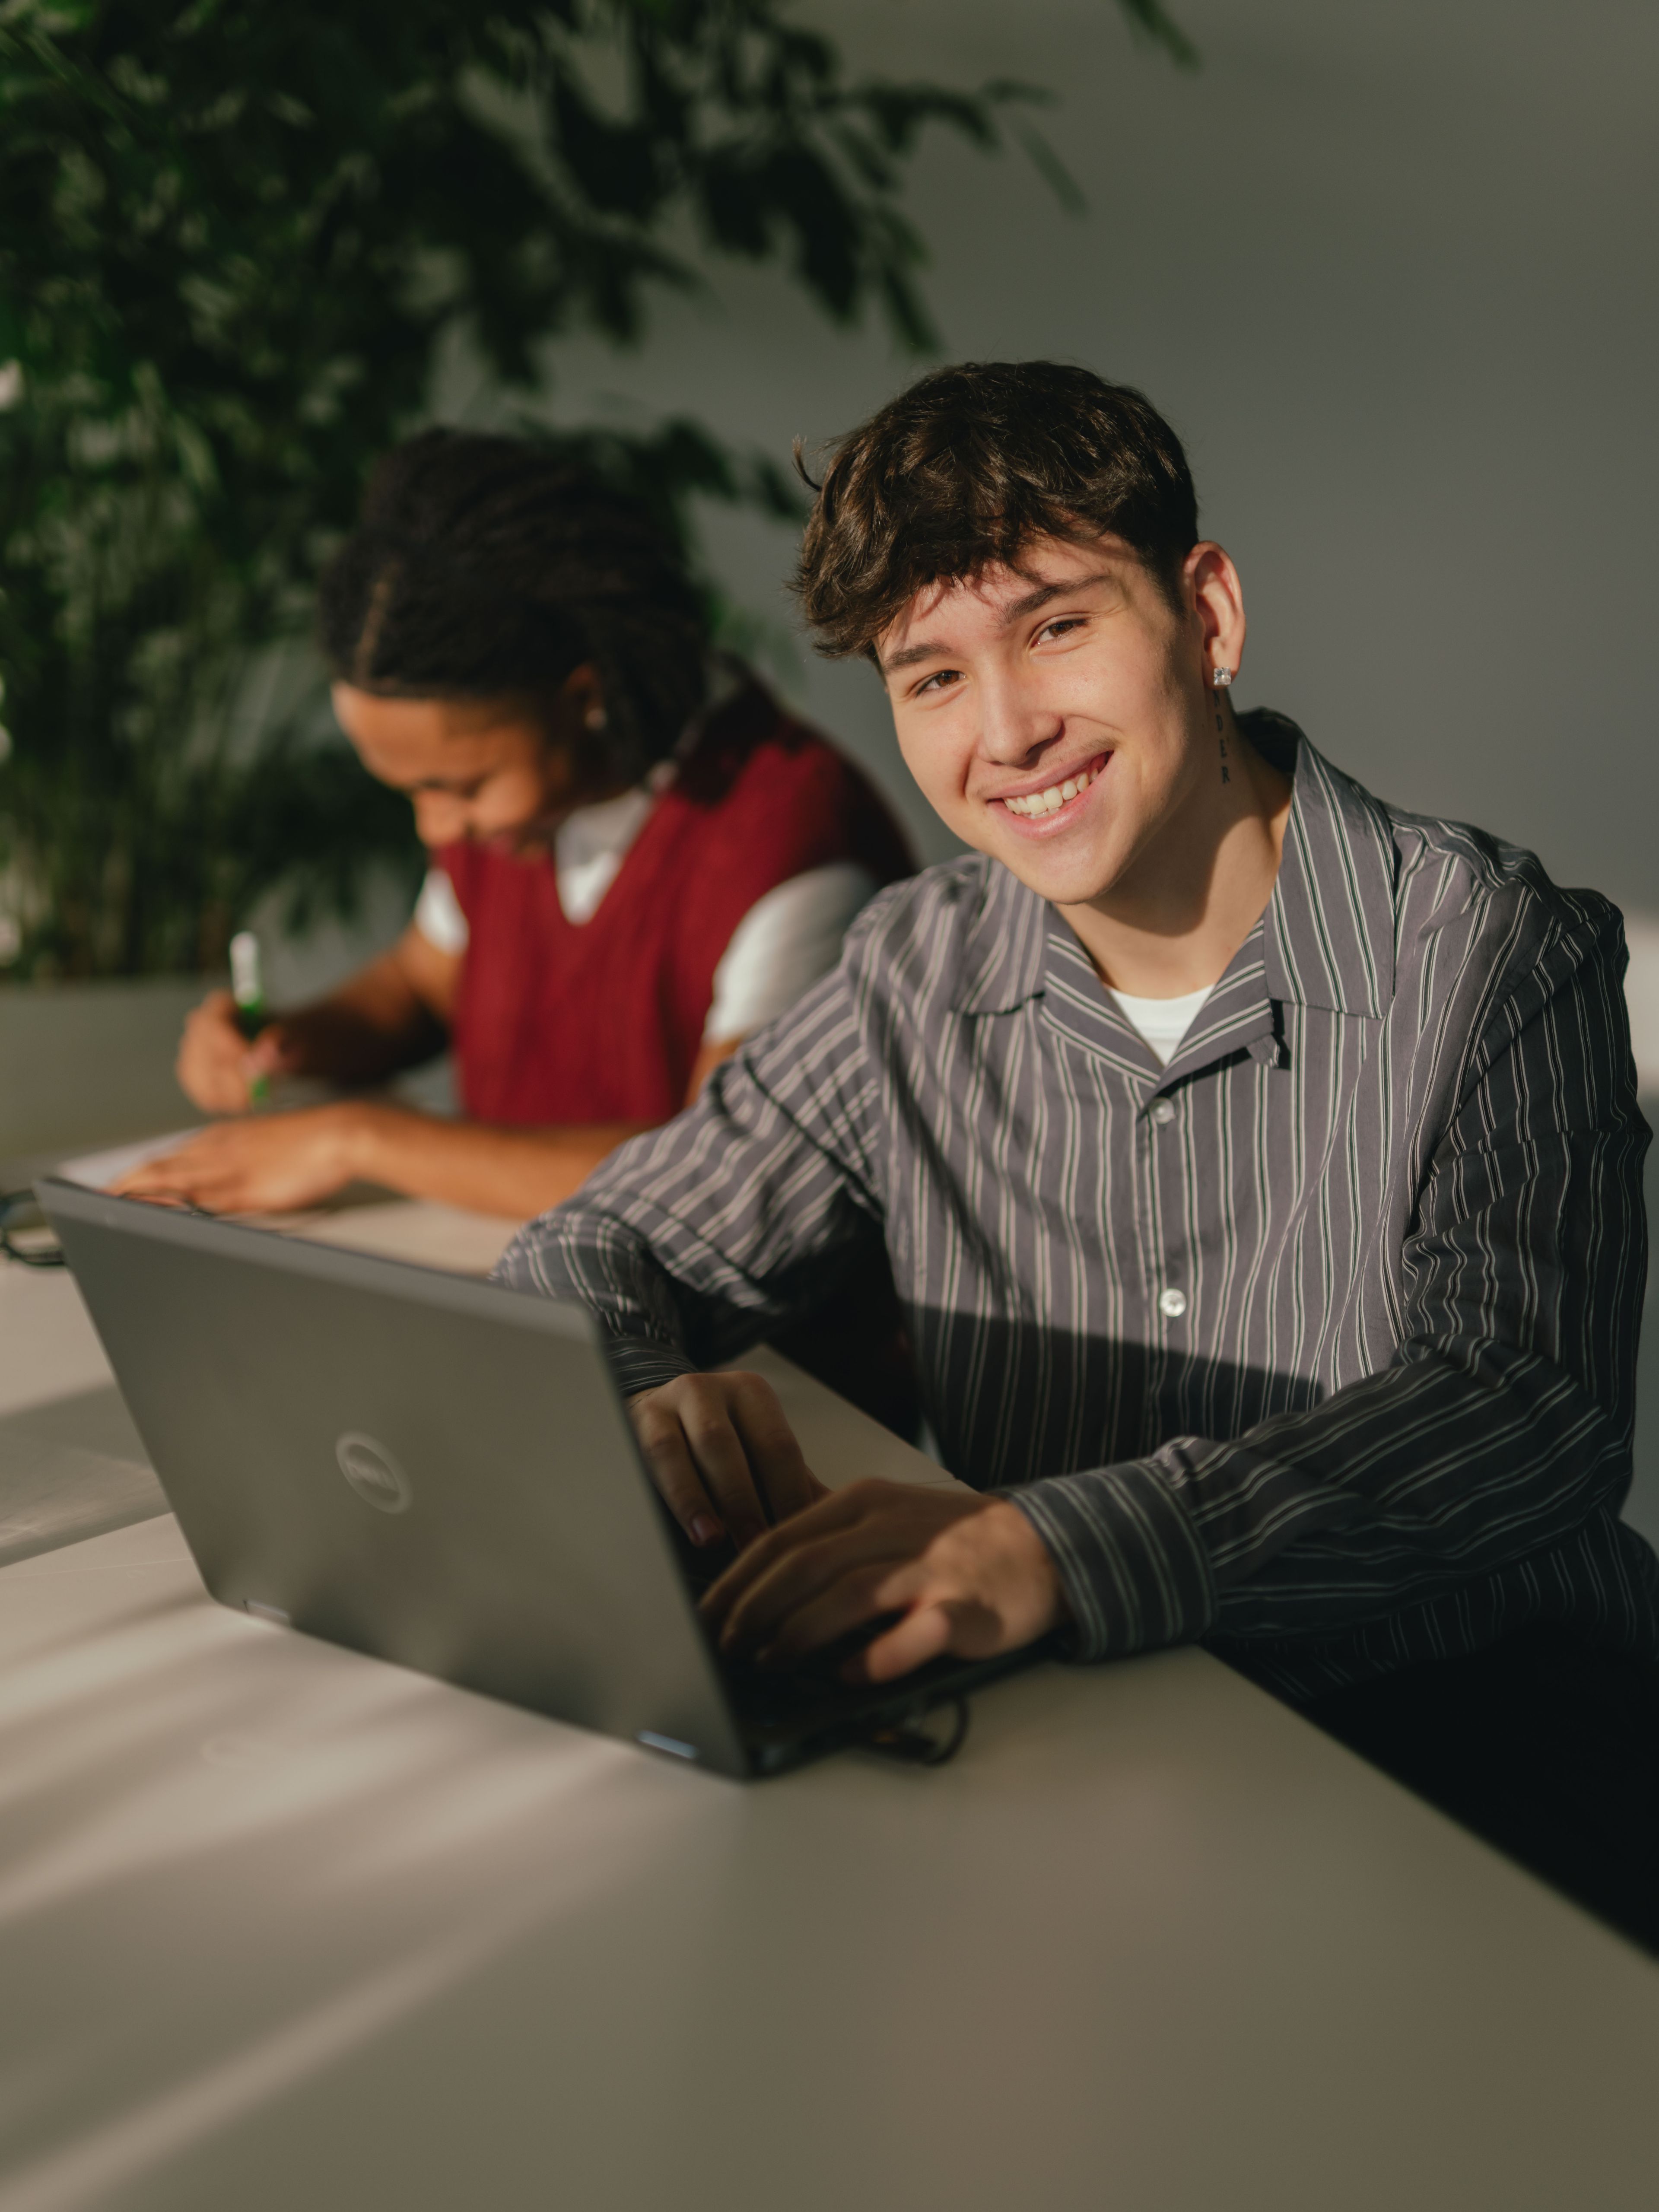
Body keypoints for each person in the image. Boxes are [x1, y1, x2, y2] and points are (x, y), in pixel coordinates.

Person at [497, 361, 1659, 1945]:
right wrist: (641, 1401)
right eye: (930, 680)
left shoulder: (1492, 953)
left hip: (1474, 1741)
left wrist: (1059, 1546)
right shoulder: (916, 967)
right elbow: (594, 1246)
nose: (1010, 731)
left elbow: (1527, 1413)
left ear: (1209, 614)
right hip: (1079, 1749)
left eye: (1058, 626)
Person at [121, 431, 914, 1223]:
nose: (436, 830)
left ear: (581, 698)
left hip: (761, 1349)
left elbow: (725, 1176)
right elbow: (421, 988)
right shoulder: (530, 803)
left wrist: (356, 1139)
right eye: (409, 791)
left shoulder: (789, 843)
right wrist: (291, 1040)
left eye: (457, 787)